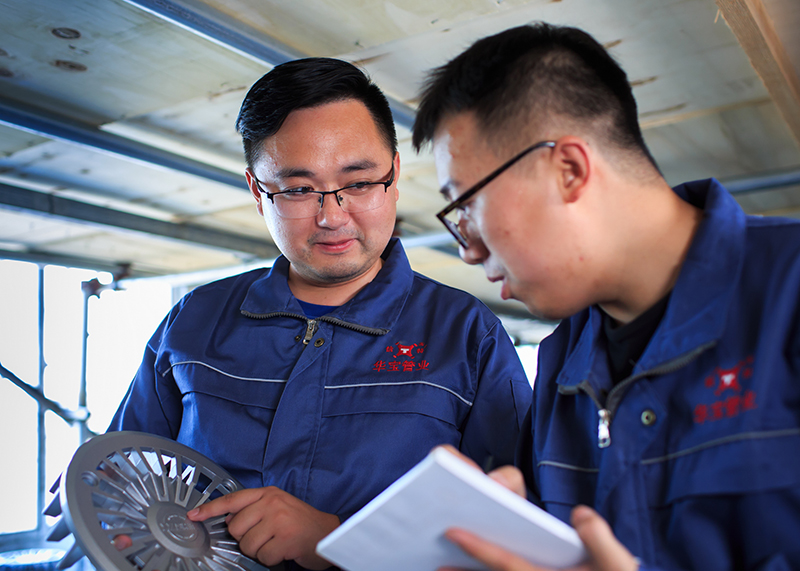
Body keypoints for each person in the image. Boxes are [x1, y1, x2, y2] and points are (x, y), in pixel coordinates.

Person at [108, 57, 531, 570]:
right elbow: (126, 474)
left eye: (357, 182)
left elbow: (514, 532)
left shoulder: (465, 334)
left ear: (394, 174)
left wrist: (339, 542)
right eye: (297, 190)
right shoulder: (195, 320)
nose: (332, 216)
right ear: (256, 191)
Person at [412, 23, 800, 571]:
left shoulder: (789, 294)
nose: (468, 251)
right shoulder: (559, 366)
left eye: (466, 206)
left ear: (568, 169)